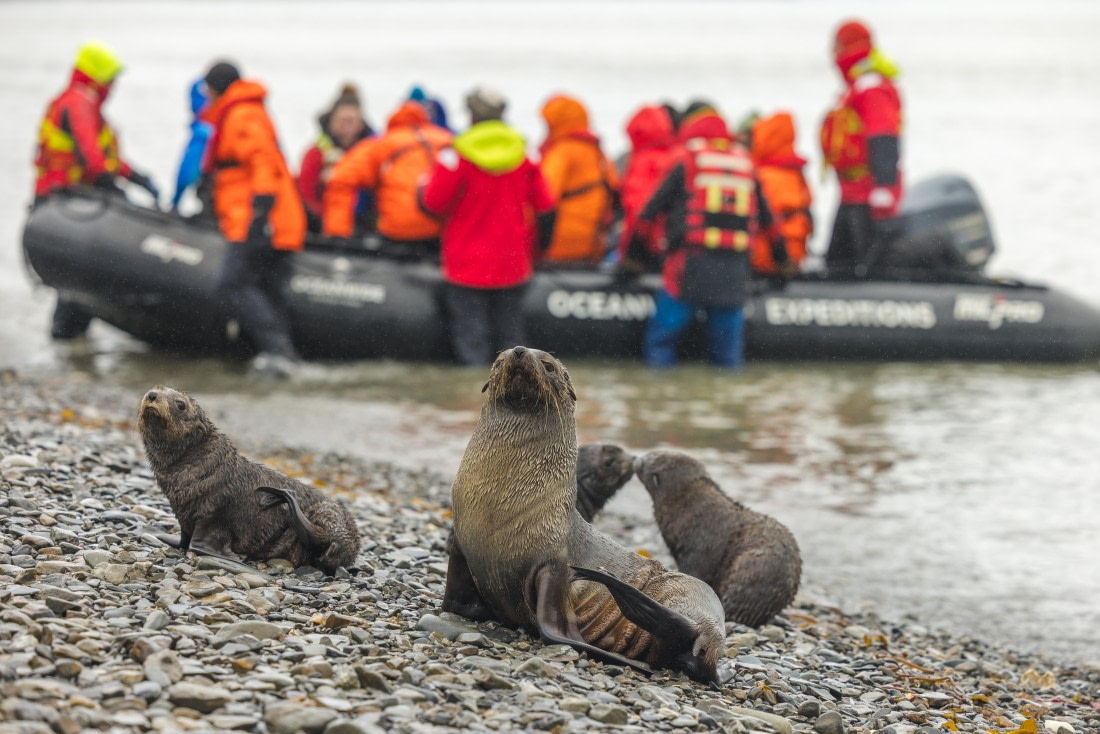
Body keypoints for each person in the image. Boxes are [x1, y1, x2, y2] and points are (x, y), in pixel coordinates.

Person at [419, 87, 556, 366]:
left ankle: (472, 402)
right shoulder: (524, 153)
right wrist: (539, 252)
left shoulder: (456, 155)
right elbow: (546, 206)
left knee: (472, 342)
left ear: (471, 116)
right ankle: (512, 403)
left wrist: (420, 188)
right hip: (512, 265)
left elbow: (434, 202)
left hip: (466, 266)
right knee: (512, 343)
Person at [635, 105, 779, 369]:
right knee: (727, 355)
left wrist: (632, 257)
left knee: (661, 342)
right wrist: (783, 263)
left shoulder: (687, 160)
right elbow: (770, 222)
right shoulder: (746, 164)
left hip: (689, 268)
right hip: (733, 273)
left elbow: (648, 213)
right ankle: (724, 402)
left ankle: (659, 397)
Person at [34, 41, 159, 340]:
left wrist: (134, 176)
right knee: (75, 275)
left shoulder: (77, 101)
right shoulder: (80, 102)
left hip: (70, 199)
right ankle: (65, 335)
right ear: (98, 77)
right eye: (111, 79)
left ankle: (68, 341)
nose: (114, 86)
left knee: (75, 277)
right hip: (67, 197)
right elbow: (91, 152)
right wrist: (108, 180)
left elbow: (102, 155)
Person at [200, 61, 306, 377]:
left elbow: (262, 160)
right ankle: (279, 355)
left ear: (216, 87)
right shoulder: (244, 110)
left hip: (260, 219)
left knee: (233, 283)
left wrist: (261, 212)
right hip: (271, 218)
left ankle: (278, 352)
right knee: (267, 288)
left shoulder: (241, 114)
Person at [820, 19, 902, 275]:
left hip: (868, 194)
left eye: (836, 46)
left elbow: (883, 138)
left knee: (867, 261)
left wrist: (883, 191)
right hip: (850, 192)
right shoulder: (855, 89)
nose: (832, 53)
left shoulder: (871, 87)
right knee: (837, 262)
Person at [323, 100, 452, 250]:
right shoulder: (447, 139)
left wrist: (337, 234)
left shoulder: (382, 144)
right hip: (446, 229)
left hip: (401, 230)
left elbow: (341, 178)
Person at [537, 95, 619, 264]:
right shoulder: (599, 153)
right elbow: (614, 191)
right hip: (594, 244)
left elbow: (544, 197)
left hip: (561, 245)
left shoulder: (562, 152)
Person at [297, 84, 373, 232]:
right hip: (325, 224)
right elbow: (307, 195)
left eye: (352, 121)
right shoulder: (316, 153)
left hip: (362, 224)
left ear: (360, 123)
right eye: (342, 121)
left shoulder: (370, 151)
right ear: (332, 122)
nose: (347, 127)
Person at [748, 111, 813, 277]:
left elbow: (764, 218)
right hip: (795, 254)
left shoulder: (764, 175)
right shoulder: (796, 175)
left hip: (767, 259)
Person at [617, 104, 676, 272]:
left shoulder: (643, 162)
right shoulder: (674, 157)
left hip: (646, 249)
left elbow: (637, 210)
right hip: (667, 246)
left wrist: (630, 255)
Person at [170, 78, 213, 213]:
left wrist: (175, 203)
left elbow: (186, 173)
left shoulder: (203, 131)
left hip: (218, 201)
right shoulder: (228, 121)